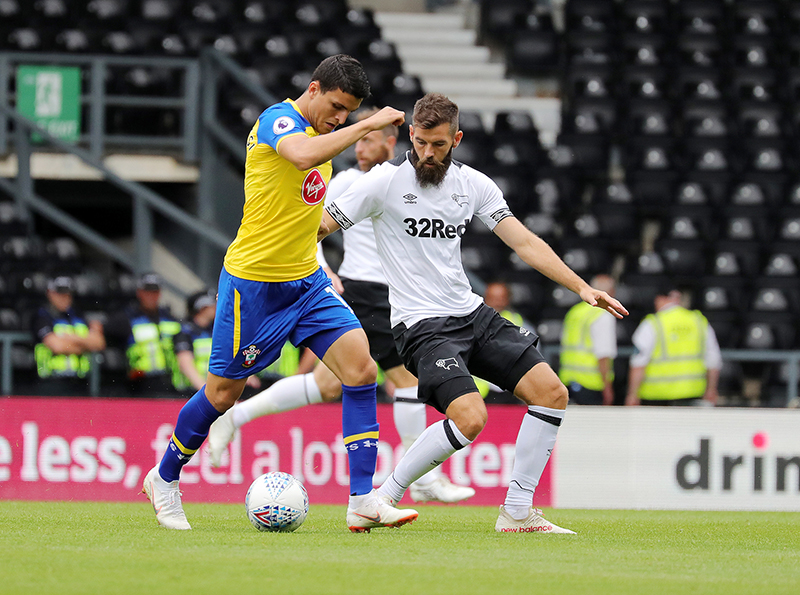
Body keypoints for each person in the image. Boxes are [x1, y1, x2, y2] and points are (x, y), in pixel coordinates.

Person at [319, 93, 628, 533]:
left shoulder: (474, 185)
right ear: (410, 135)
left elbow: (524, 242)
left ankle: (517, 512)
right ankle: (381, 498)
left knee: (552, 394)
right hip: (420, 325)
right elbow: (320, 226)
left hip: (470, 314)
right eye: (422, 142)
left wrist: (581, 287)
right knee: (470, 417)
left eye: (439, 145)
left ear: (457, 139)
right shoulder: (382, 182)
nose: (428, 153)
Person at [141, 54, 418, 532]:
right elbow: (303, 157)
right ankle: (163, 478)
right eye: (335, 106)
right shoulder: (279, 119)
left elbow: (306, 214)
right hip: (254, 286)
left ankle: (361, 500)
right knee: (221, 395)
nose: (339, 117)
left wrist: (323, 269)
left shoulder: (325, 134)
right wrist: (368, 125)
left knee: (360, 369)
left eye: (348, 112)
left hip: (306, 283)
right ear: (313, 89)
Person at [207, 107, 475, 504]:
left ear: (389, 142)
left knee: (329, 385)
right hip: (365, 291)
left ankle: (237, 414)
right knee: (406, 381)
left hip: (387, 294)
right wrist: (323, 268)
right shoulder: (347, 180)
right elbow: (305, 225)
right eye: (357, 138)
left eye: (368, 139)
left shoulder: (405, 181)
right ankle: (422, 477)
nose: (359, 145)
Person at [625, 285, 721, 407]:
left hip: (656, 397)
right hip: (692, 394)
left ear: (659, 299)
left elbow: (638, 363)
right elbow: (713, 359)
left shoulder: (652, 323)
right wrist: (711, 389)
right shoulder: (699, 321)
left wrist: (632, 394)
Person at [104, 273, 181, 397]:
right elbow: (103, 331)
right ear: (139, 292)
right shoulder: (126, 318)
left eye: (155, 291)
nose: (151, 296)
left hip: (172, 381)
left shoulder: (170, 318)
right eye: (147, 291)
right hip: (141, 384)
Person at [31, 275, 105, 396]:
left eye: (68, 294)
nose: (65, 298)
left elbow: (99, 343)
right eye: (60, 294)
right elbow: (57, 346)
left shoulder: (77, 316)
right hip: (51, 383)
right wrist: (86, 345)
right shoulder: (42, 316)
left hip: (80, 383)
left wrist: (69, 337)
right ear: (50, 293)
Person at [559, 274, 618, 405]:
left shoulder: (574, 311)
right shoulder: (602, 315)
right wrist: (607, 388)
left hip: (567, 380)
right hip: (590, 383)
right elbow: (603, 354)